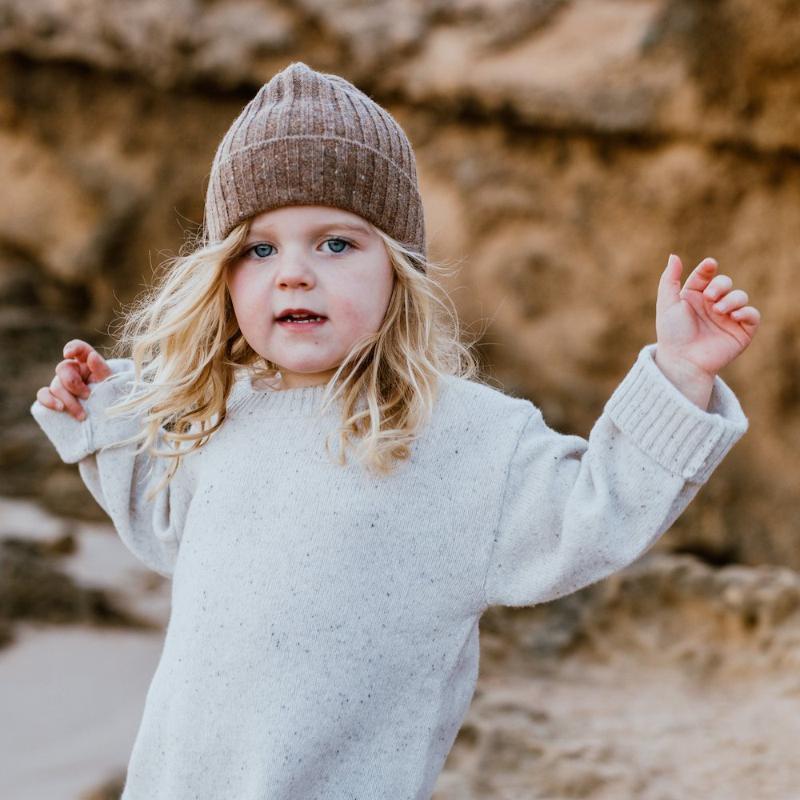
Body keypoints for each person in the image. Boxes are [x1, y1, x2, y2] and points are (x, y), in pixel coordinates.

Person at [30, 62, 759, 800]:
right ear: (222, 276)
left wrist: (678, 374)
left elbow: (593, 509)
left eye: (336, 244)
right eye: (260, 248)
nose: (293, 273)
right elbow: (170, 535)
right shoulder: (221, 411)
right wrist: (110, 421)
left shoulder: (465, 438)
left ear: (397, 269)